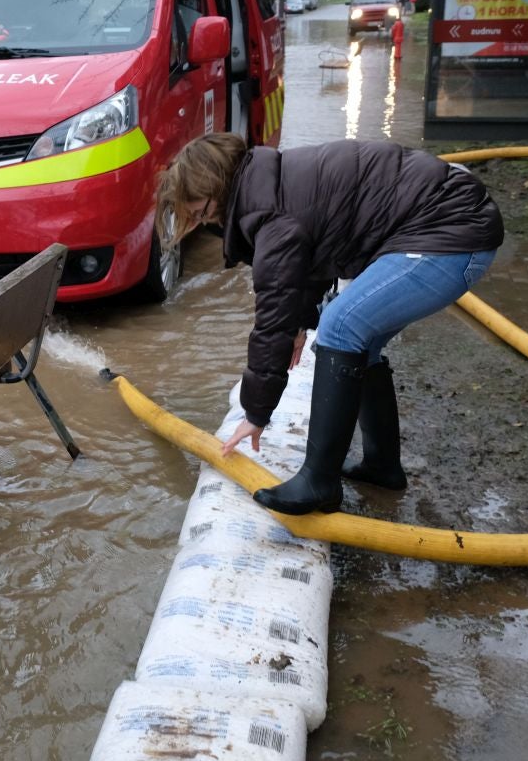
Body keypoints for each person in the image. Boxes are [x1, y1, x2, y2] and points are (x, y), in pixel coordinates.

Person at [156, 134, 504, 515]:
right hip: (449, 221)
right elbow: (315, 257)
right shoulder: (270, 183)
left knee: (340, 326)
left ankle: (319, 482)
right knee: (360, 339)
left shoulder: (266, 212)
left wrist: (255, 413)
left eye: (201, 212)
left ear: (215, 187)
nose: (204, 223)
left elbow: (272, 316)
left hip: (453, 233)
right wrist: (302, 323)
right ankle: (382, 466)